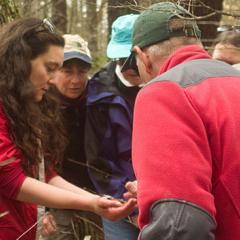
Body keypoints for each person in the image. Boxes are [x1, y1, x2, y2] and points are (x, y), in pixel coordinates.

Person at [0, 17, 136, 240]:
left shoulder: (27, 107)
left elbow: (44, 172)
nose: (54, 80)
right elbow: (10, 179)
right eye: (50, 68)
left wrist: (96, 202)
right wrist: (90, 203)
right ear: (20, 61)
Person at [122, 2, 240, 240]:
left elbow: (178, 225)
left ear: (141, 56)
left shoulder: (163, 93)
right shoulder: (235, 80)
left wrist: (166, 199)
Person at [85, 14, 141, 240]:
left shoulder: (167, 83)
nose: (129, 67)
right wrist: (130, 207)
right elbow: (97, 160)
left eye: (132, 58)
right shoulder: (98, 92)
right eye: (121, 58)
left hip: (162, 202)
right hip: (120, 200)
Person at [42, 34, 102, 239]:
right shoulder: (38, 103)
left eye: (82, 71)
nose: (76, 80)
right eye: (67, 71)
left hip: (96, 193)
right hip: (55, 196)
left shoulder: (98, 102)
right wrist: (43, 209)